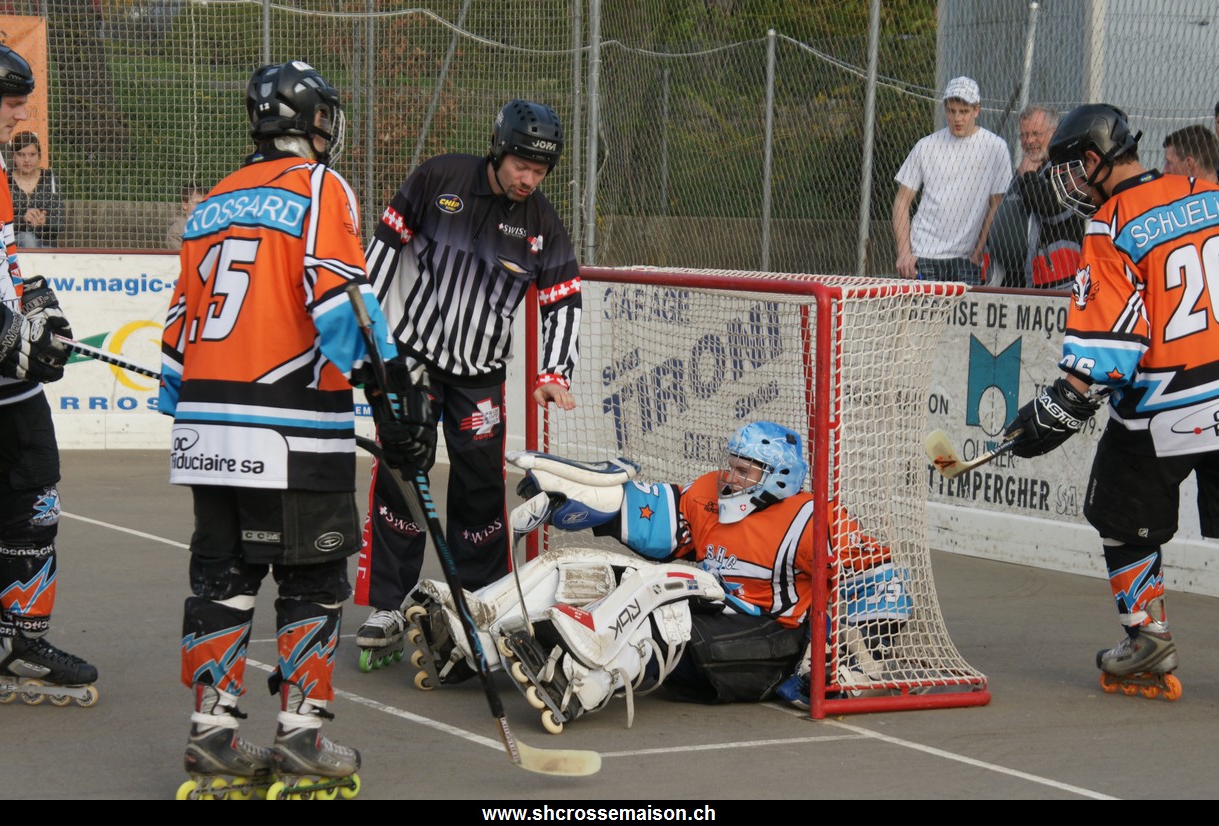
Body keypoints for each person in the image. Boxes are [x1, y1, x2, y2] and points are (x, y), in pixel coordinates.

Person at [159, 60, 433, 799]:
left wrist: (185, 406)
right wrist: (391, 394)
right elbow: (342, 303)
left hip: (205, 430)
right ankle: (302, 738)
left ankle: (212, 737)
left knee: (221, 581)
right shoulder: (318, 187)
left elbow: (178, 330)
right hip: (289, 430)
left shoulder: (211, 203)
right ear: (313, 122)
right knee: (313, 578)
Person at [400, 422, 897, 730]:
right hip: (710, 625)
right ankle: (474, 631)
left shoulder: (811, 519)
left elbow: (883, 578)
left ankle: (583, 682)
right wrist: (572, 499)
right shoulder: (709, 493)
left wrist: (840, 660)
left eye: (745, 472)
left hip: (766, 645)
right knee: (576, 567)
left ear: (779, 479)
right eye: (731, 466)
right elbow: (651, 519)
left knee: (665, 590)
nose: (731, 479)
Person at [353, 99, 582, 669]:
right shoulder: (439, 178)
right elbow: (381, 253)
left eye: (540, 170)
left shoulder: (542, 224)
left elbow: (563, 298)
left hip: (481, 376)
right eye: (522, 165)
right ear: (498, 150)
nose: (529, 179)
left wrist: (554, 373)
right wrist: (364, 331)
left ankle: (482, 605)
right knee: (403, 472)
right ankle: (387, 604)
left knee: (480, 490)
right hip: (414, 361)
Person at [1004, 103, 1219, 700]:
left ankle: (1147, 637)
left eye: (1073, 170)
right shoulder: (1205, 192)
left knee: (1120, 514)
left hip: (1165, 405)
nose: (1070, 184)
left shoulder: (1110, 223)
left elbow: (1109, 345)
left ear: (1096, 160)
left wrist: (1060, 404)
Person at [0, 43, 92, 719]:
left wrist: (37, 310)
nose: (22, 115)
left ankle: (24, 642)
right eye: (14, 102)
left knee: (35, 505)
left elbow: (2, 261)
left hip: (11, 390)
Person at [893, 76, 1012, 285]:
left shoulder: (995, 147)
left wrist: (978, 252)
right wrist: (904, 253)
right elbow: (902, 201)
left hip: (966, 259)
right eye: (951, 111)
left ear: (977, 110)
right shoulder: (926, 146)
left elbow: (997, 204)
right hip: (923, 253)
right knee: (923, 308)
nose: (957, 118)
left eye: (964, 112)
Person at [986, 106, 1084, 289]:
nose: (1029, 141)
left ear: (1053, 133)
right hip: (1014, 279)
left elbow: (1050, 205)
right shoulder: (1025, 170)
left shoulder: (1066, 167)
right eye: (1023, 135)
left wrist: (1028, 176)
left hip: (1055, 281)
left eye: (1036, 134)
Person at [8, 132, 64, 249]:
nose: (27, 159)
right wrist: (23, 219)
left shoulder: (50, 179)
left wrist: (44, 221)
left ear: (39, 156)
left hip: (47, 244)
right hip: (13, 245)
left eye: (32, 154)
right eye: (21, 154)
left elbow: (60, 223)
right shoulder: (5, 180)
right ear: (13, 156)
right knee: (28, 239)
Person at [164, 182, 208, 249]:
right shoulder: (177, 229)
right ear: (185, 205)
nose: (202, 207)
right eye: (197, 203)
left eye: (205, 203)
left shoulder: (211, 225)